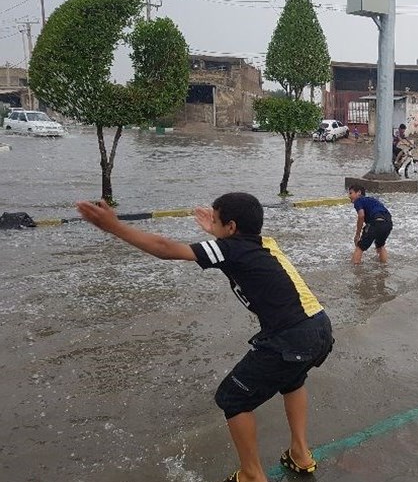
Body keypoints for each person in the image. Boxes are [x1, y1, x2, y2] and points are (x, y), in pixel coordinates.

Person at [76, 193, 334, 482]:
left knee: (232, 398)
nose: (211, 223)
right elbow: (232, 250)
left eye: (215, 219)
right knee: (291, 379)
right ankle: (300, 454)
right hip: (319, 327)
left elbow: (165, 248)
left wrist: (114, 226)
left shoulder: (232, 249)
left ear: (232, 227)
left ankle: (252, 474)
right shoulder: (263, 244)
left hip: (292, 337)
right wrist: (216, 231)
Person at [347, 184, 392, 264]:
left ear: (359, 193)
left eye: (351, 193)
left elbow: (361, 216)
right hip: (388, 223)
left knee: (360, 247)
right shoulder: (372, 200)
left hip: (376, 222)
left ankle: (355, 271)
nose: (349, 196)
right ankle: (384, 268)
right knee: (380, 246)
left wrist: (357, 234)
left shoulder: (358, 200)